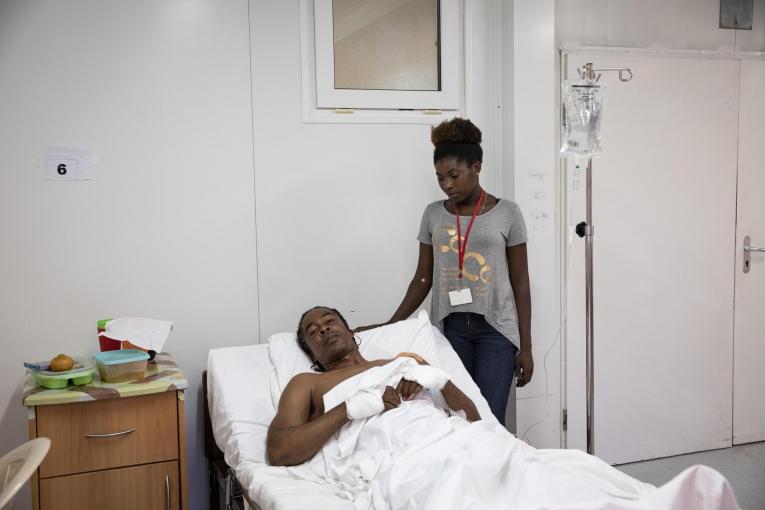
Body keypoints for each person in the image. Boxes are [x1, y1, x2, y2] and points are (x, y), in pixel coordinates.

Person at [359, 118, 533, 426]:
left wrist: (526, 347)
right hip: (450, 331)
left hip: (496, 331)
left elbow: (520, 281)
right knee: (455, 416)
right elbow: (423, 278)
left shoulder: (508, 212)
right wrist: (391, 324)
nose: (447, 184)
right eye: (440, 178)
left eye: (454, 175)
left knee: (489, 419)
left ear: (476, 167)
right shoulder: (433, 214)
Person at [266, 306, 480, 467]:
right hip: (400, 460)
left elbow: (473, 421)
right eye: (313, 331)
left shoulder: (402, 364)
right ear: (311, 354)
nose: (324, 328)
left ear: (350, 331)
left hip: (451, 441)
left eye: (330, 321)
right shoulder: (308, 383)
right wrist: (349, 409)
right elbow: (278, 450)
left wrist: (439, 380)